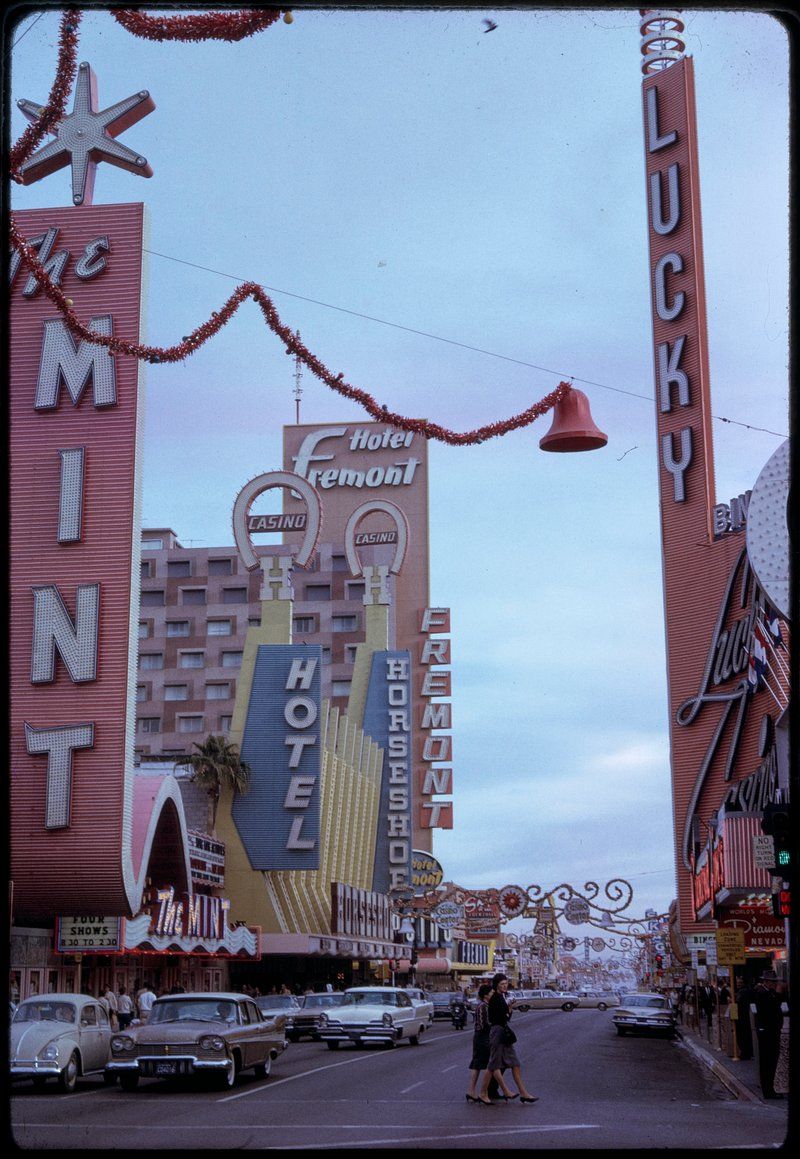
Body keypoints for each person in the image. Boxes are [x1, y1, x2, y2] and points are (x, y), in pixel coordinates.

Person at [477, 973, 538, 1105]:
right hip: (498, 1033)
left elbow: (506, 1017)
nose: (505, 986)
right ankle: (483, 1092)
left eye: (506, 984)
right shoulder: (496, 998)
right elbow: (500, 1018)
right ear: (497, 985)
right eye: (502, 984)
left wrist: (509, 1008)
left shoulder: (501, 997)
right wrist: (507, 1010)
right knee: (492, 1065)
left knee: (515, 1064)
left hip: (503, 1033)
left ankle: (523, 1093)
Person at [753, 972, 784, 1098]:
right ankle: (768, 1090)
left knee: (772, 1062)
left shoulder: (769, 993)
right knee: (768, 1062)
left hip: (773, 1031)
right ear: (766, 982)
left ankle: (770, 1088)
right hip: (767, 1032)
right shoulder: (762, 994)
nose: (775, 984)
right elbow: (770, 1010)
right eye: (773, 982)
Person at [465, 983, 492, 1102]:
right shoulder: (483, 1006)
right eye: (491, 992)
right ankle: (483, 1092)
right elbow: (483, 1024)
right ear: (486, 995)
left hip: (482, 1037)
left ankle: (471, 1091)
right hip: (482, 1037)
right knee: (487, 1064)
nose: (493, 994)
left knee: (477, 1064)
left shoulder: (486, 1005)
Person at [734, 979, 755, 1060]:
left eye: (740, 983)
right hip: (748, 1016)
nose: (738, 984)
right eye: (737, 982)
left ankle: (745, 1053)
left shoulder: (741, 992)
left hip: (741, 1017)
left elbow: (736, 1004)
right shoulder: (749, 991)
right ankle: (749, 1052)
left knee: (742, 1036)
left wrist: (733, 1016)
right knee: (747, 1035)